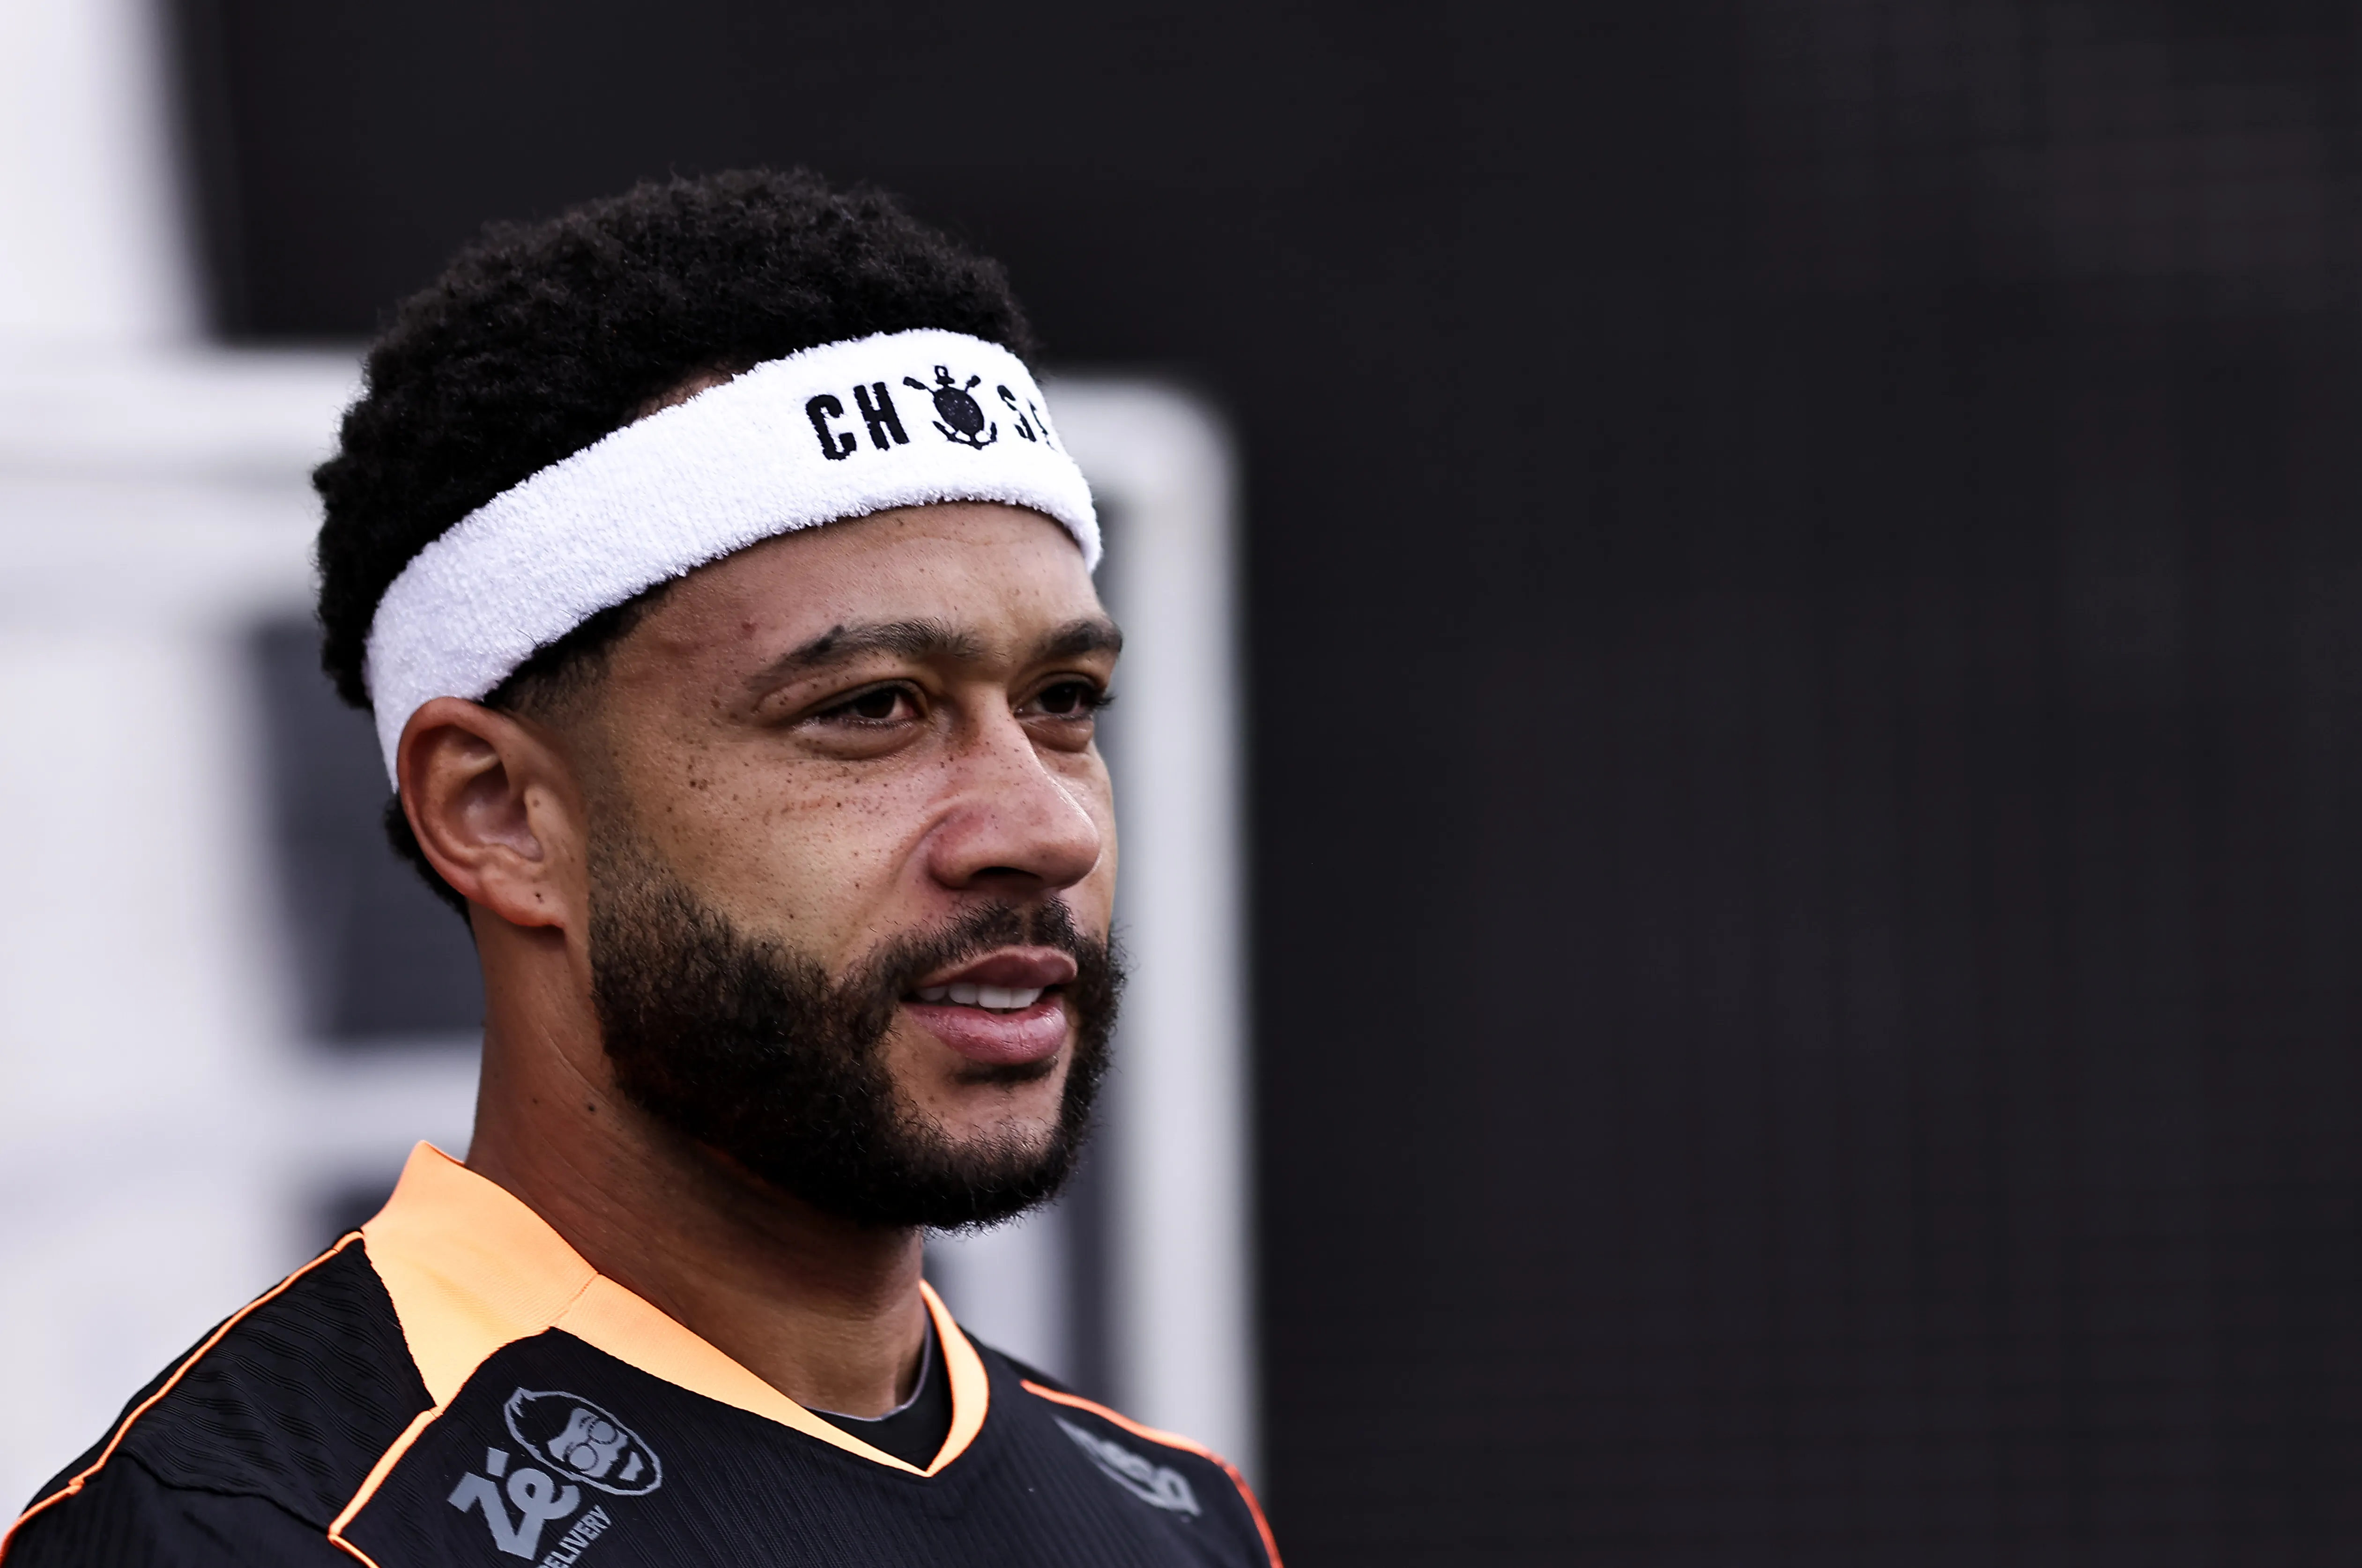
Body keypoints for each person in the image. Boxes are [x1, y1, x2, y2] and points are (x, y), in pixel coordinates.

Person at [3, 170, 1278, 1568]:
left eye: (1063, 701)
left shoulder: (1177, 1517)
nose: (1047, 828)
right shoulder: (248, 1537)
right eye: (870, 708)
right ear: (497, 812)